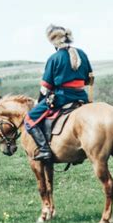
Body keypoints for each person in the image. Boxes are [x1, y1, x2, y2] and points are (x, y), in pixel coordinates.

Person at [25, 24, 92, 161]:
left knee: (29, 119)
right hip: (82, 97)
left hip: (63, 97)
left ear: (54, 42)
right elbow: (89, 78)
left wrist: (39, 100)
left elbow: (46, 87)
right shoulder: (82, 53)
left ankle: (44, 150)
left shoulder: (54, 58)